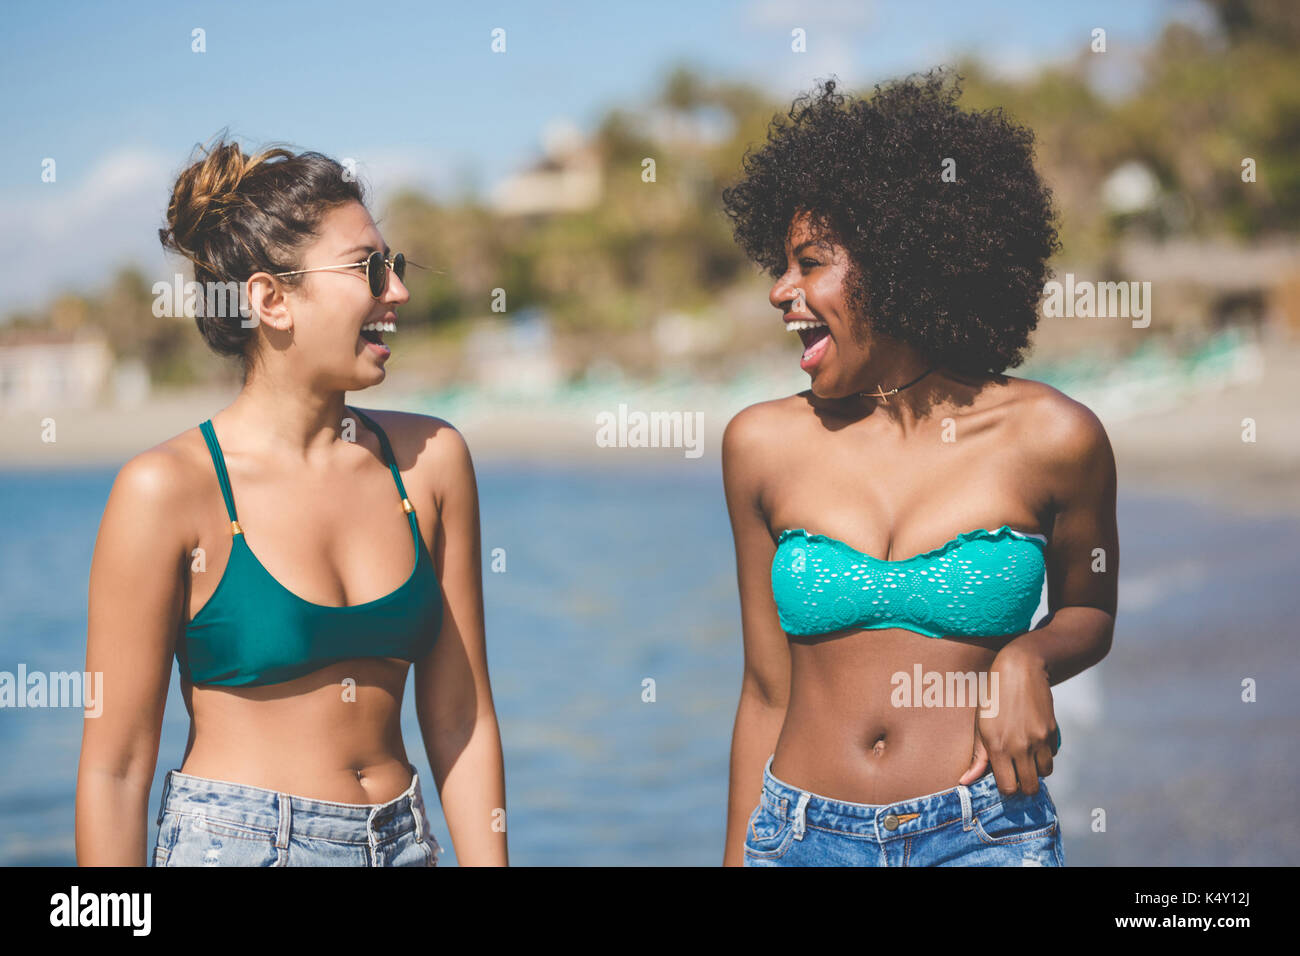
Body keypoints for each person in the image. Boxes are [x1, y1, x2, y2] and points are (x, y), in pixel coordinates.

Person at [718, 72, 1118, 866]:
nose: (779, 290)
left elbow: (1092, 613)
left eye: (810, 263)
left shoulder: (1054, 436)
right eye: (781, 263)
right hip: (798, 837)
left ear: (902, 262)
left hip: (984, 833)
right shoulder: (760, 445)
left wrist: (1029, 656)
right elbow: (765, 692)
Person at [75, 134, 507, 866]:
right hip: (239, 846)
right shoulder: (167, 490)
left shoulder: (431, 464)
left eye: (393, 266)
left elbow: (462, 718)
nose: (396, 290)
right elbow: (114, 770)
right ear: (272, 300)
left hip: (405, 843)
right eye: (369, 269)